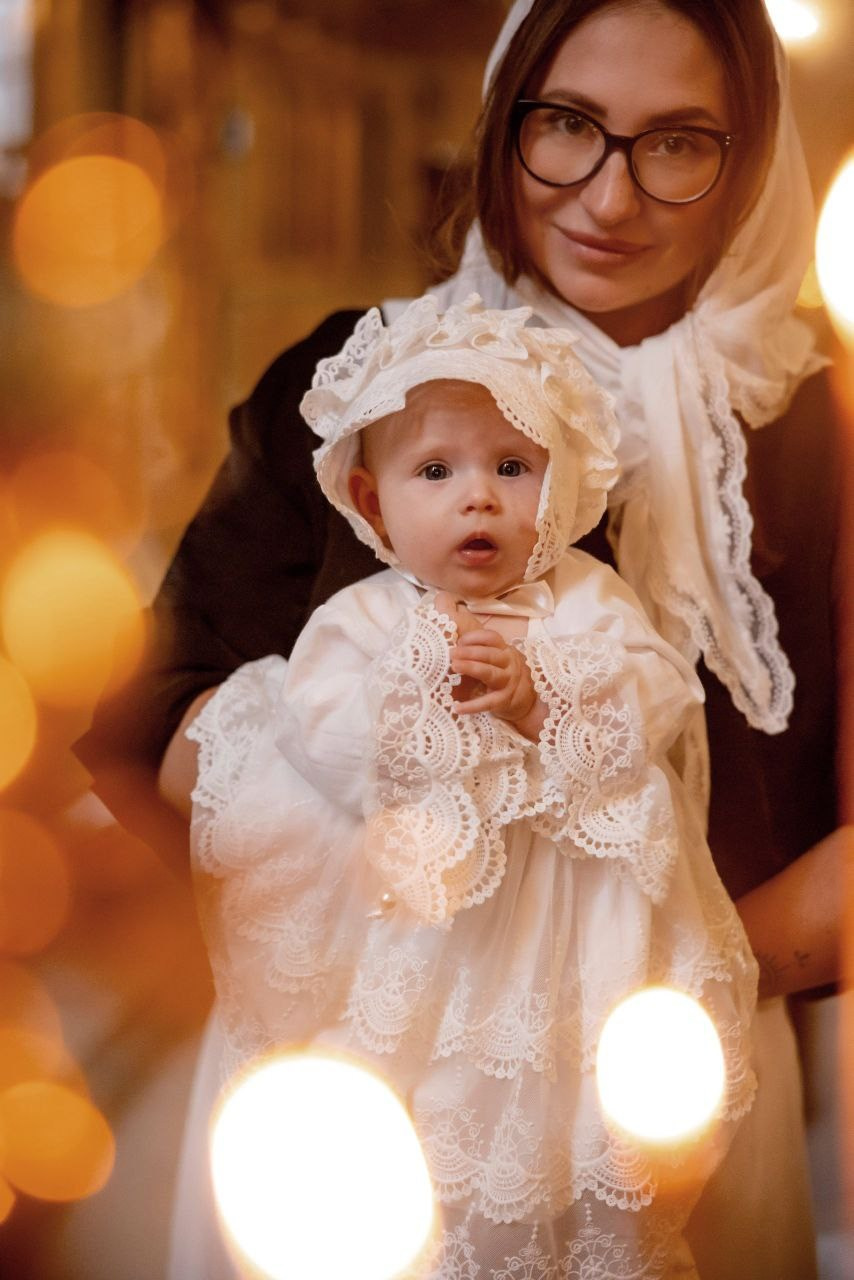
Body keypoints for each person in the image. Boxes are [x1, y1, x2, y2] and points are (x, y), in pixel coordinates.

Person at [74, 1, 848, 1276]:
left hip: (670, 1086)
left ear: (752, 157)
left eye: (675, 142)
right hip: (350, 1078)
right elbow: (152, 702)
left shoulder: (824, 430)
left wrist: (646, 970)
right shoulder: (357, 385)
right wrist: (340, 862)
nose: (608, 195)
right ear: (504, 123)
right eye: (566, 126)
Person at [173, 293, 758, 1279]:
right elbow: (325, 729)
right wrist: (425, 708)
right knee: (417, 1115)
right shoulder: (363, 621)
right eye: (435, 471)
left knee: (558, 1135)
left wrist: (545, 694)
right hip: (423, 939)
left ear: (559, 485)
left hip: (563, 948)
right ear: (370, 501)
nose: (476, 497)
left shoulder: (583, 599)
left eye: (510, 467)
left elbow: (655, 694)